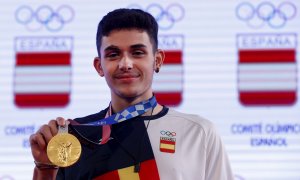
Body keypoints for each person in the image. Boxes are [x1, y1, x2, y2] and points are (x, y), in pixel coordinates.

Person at [29, 8, 234, 180]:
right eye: (113, 54)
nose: (125, 64)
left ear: (158, 60)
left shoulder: (198, 133)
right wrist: (45, 168)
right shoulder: (73, 138)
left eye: (137, 52)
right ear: (99, 66)